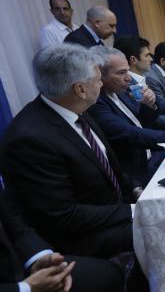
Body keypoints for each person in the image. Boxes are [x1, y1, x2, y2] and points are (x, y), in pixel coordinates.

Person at [0, 44, 133, 258]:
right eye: (98, 79)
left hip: (111, 210)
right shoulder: (29, 139)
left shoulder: (73, 106)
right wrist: (133, 211)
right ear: (80, 89)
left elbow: (108, 165)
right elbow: (63, 215)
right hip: (78, 237)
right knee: (164, 228)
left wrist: (135, 190)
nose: (101, 84)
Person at [0, 194, 124, 292]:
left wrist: (38, 258)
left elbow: (15, 225)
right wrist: (27, 290)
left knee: (108, 277)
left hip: (12, 271)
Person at [87, 46, 165, 188]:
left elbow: (146, 122)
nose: (128, 77)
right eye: (121, 73)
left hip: (155, 155)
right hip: (139, 172)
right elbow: (133, 134)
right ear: (100, 74)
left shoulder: (120, 91)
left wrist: (149, 105)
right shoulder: (96, 103)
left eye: (127, 70)